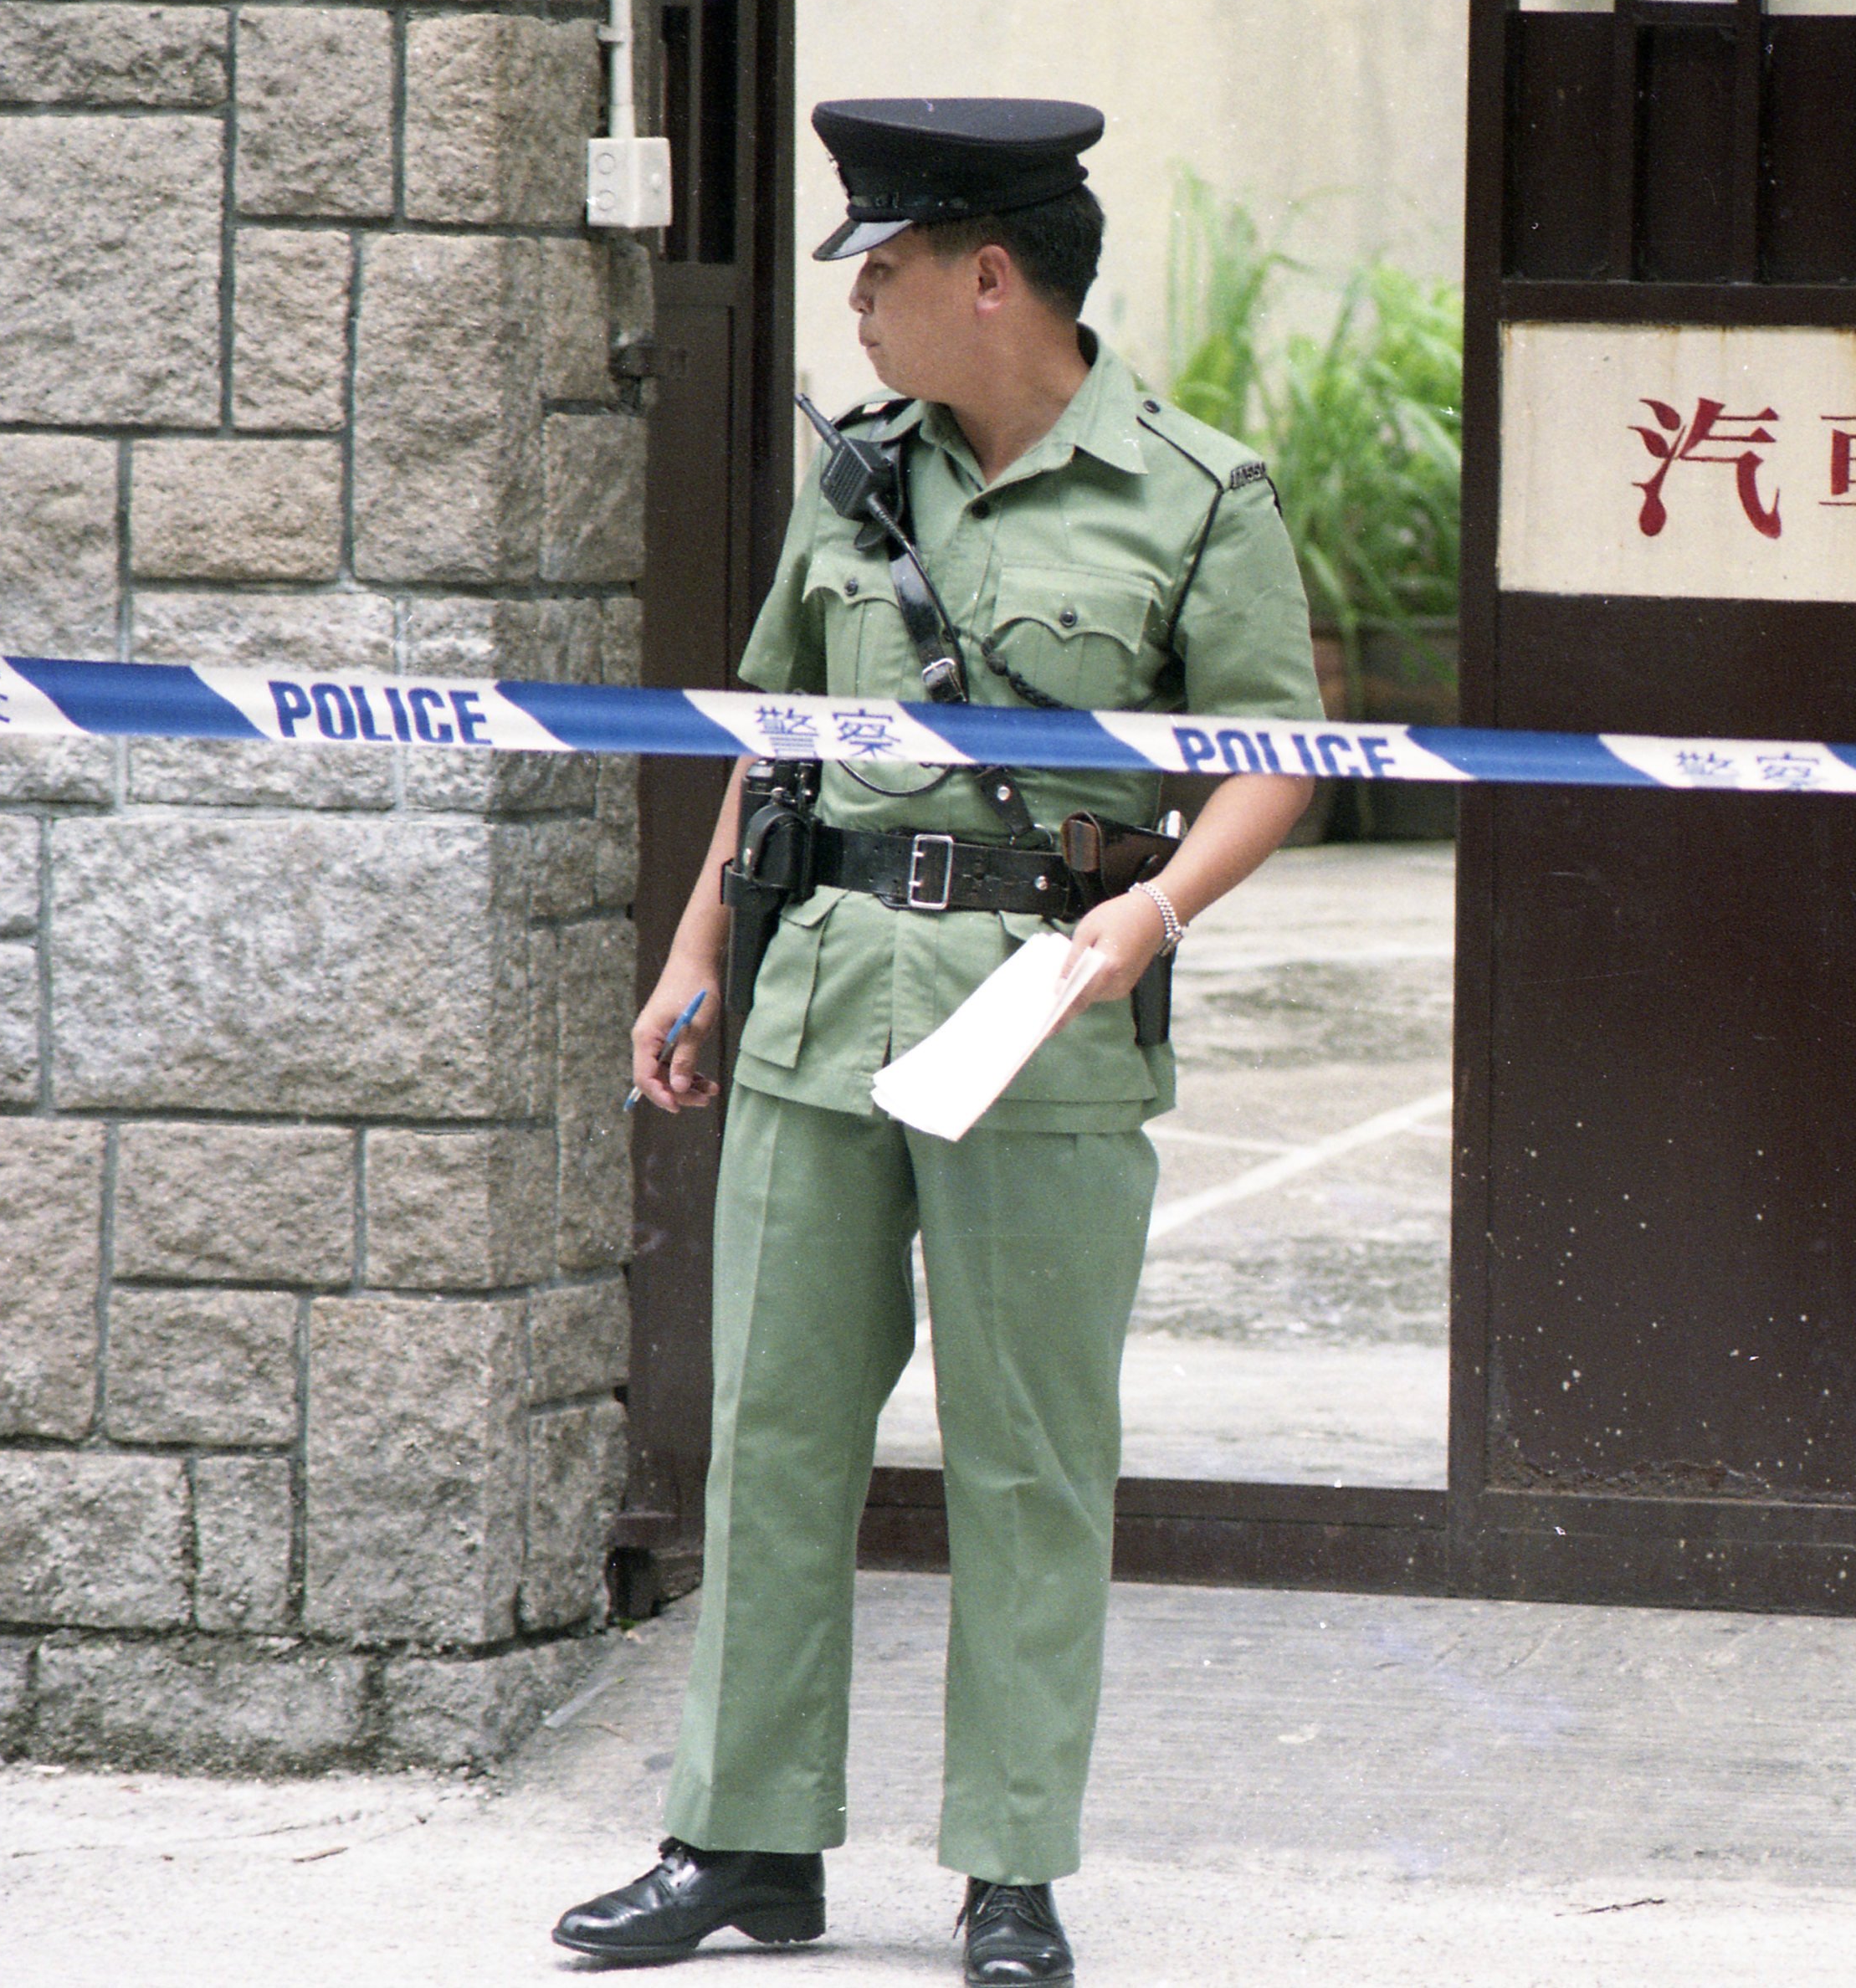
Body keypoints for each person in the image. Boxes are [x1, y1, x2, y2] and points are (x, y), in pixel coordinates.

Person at [553, 97, 1321, 1987]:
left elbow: (1279, 756)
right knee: (774, 1433)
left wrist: (1153, 914)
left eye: (883, 276)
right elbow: (781, 726)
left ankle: (1008, 1872)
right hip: (821, 1008)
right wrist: (695, 950)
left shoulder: (1196, 495)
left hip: (1042, 1025)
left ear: (993, 276)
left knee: (1027, 1457)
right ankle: (742, 1839)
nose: (864, 312)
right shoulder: (860, 482)